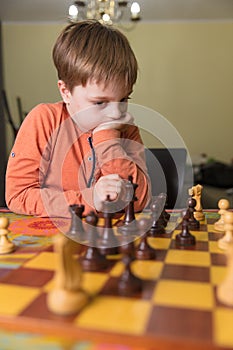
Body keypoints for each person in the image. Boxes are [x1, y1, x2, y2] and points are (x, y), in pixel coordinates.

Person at [5, 20, 151, 218]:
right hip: (56, 239)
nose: (116, 113)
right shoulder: (43, 120)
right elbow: (18, 195)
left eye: (124, 99)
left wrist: (107, 140)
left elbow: (141, 199)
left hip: (111, 240)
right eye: (100, 102)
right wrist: (89, 199)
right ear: (66, 92)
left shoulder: (126, 128)